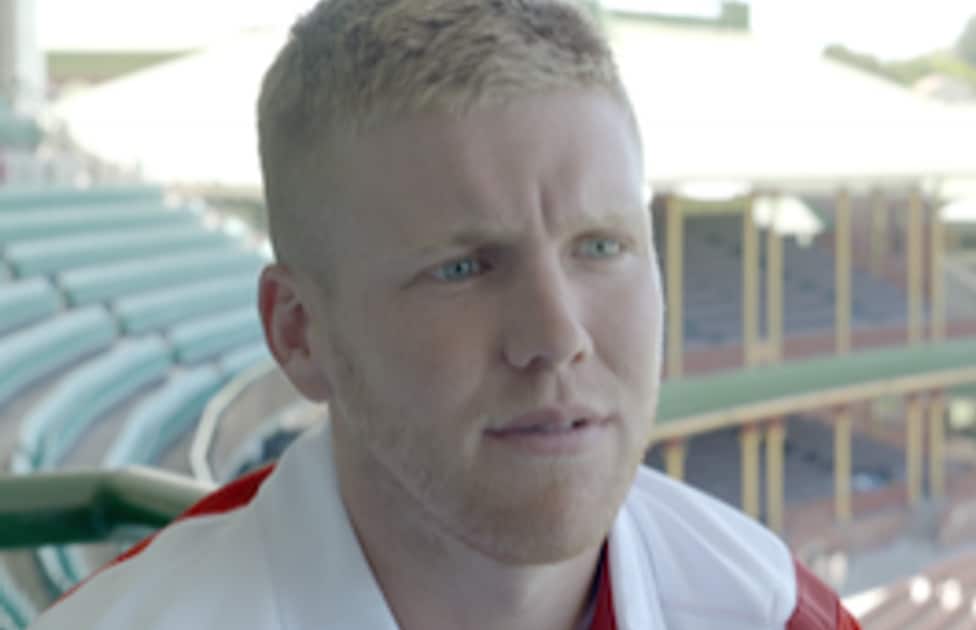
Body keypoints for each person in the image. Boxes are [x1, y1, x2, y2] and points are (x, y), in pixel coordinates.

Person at [31, 1, 861, 628]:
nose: (557, 336)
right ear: (300, 333)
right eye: (462, 269)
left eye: (601, 247)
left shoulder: (778, 615)